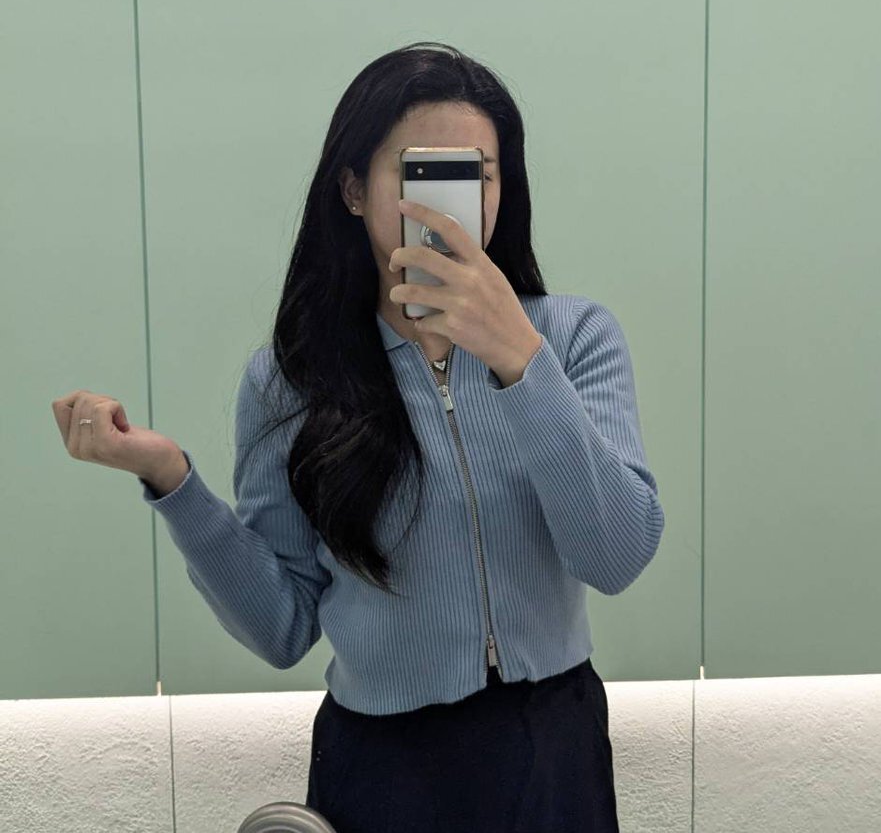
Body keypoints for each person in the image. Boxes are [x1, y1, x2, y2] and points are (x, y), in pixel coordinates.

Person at [52, 41, 665, 832]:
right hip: (383, 762)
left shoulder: (573, 340)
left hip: (552, 741)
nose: (449, 204)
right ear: (351, 188)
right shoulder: (292, 378)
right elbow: (280, 626)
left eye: (476, 174)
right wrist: (172, 480)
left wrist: (520, 360)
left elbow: (615, 555)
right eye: (419, 173)